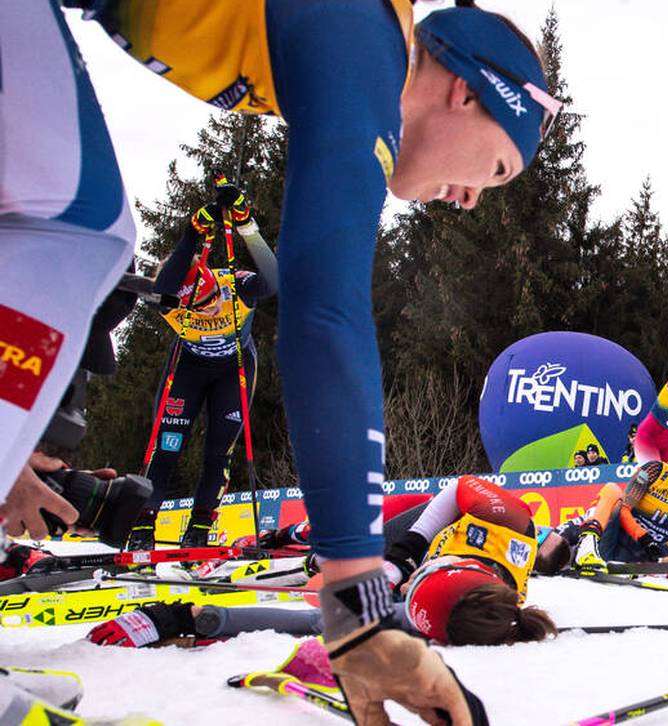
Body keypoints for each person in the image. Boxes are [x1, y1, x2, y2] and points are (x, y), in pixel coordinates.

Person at [3, 1, 558, 720]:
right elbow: (325, 312)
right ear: (466, 91)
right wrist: (359, 602)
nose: (473, 199)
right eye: (495, 166)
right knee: (73, 225)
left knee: (56, 221)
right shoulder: (367, 42)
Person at [90, 475, 558, 648]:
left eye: (406, 595)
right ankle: (293, 534)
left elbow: (317, 622)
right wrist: (404, 559)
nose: (406, 588)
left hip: (430, 564)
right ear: (452, 569)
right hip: (437, 522)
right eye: (415, 585)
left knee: (328, 577)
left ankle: (311, 551)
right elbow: (458, 489)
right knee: (351, 533)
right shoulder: (510, 523)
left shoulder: (436, 618)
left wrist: (193, 618)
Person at [125, 189, 278, 551]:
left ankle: (200, 526)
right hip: (188, 371)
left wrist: (245, 226)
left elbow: (273, 280)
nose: (210, 309)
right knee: (167, 448)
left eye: (212, 300)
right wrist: (191, 233)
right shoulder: (167, 300)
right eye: (200, 306)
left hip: (233, 369)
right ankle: (143, 525)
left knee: (218, 450)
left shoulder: (233, 285)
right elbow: (162, 286)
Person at [572, 435, 668, 570]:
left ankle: (655, 567)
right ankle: (587, 547)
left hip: (652, 552)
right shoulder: (653, 471)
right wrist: (643, 536)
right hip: (621, 538)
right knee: (612, 490)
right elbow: (624, 508)